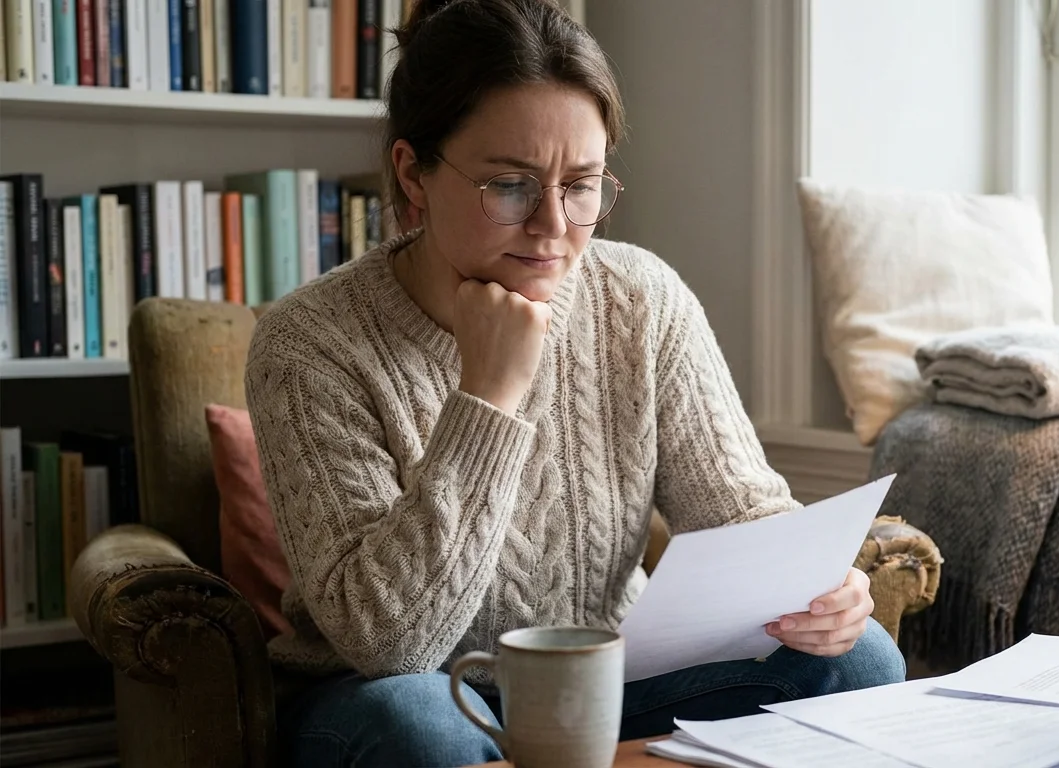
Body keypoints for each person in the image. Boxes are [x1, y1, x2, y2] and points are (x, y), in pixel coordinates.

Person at [244, 0, 906, 764]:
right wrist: (488, 398)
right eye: (511, 186)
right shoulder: (311, 343)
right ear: (412, 175)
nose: (554, 227)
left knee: (862, 661)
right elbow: (391, 640)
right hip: (392, 693)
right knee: (420, 727)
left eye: (582, 185)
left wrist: (821, 591)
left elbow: (741, 516)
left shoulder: (640, 299)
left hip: (602, 678)